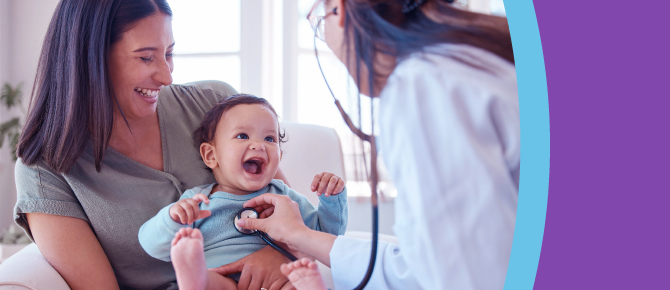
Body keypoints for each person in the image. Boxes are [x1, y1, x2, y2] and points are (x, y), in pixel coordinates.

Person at [215, 0, 520, 289]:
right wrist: (297, 235)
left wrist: (302, 232)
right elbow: (427, 267)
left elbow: (468, 278)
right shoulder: (482, 59)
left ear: (341, 10)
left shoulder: (423, 87)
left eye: (321, 21)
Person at [12, 1, 298, 289]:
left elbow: (291, 214)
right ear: (91, 58)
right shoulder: (44, 171)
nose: (166, 76)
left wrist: (279, 255)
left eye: (169, 53)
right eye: (146, 58)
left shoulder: (217, 105)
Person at [137, 94, 348, 290]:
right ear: (211, 155)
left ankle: (310, 284)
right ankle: (193, 275)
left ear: (279, 157)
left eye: (270, 139)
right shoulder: (198, 201)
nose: (258, 145)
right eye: (242, 135)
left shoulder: (284, 199)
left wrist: (331, 199)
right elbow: (151, 245)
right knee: (211, 283)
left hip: (279, 280)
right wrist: (173, 218)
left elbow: (324, 236)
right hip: (223, 278)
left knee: (295, 282)